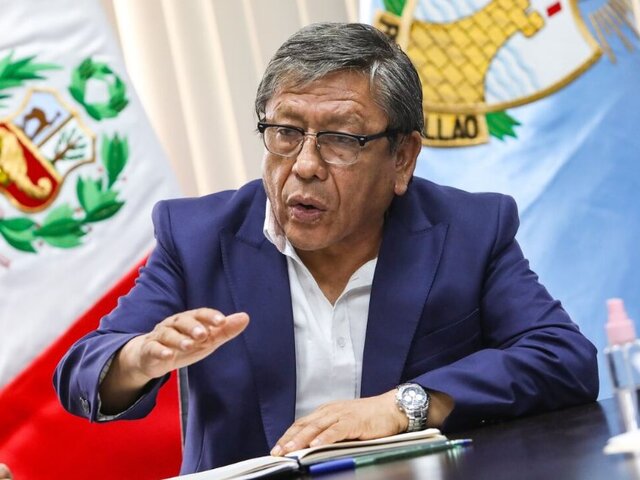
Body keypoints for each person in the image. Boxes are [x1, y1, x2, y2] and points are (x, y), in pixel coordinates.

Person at [54, 22, 598, 474]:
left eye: (341, 139)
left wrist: (405, 406)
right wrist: (140, 357)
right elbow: (81, 373)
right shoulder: (199, 236)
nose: (306, 165)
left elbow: (564, 360)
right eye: (286, 132)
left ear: (402, 159)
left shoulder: (467, 230)